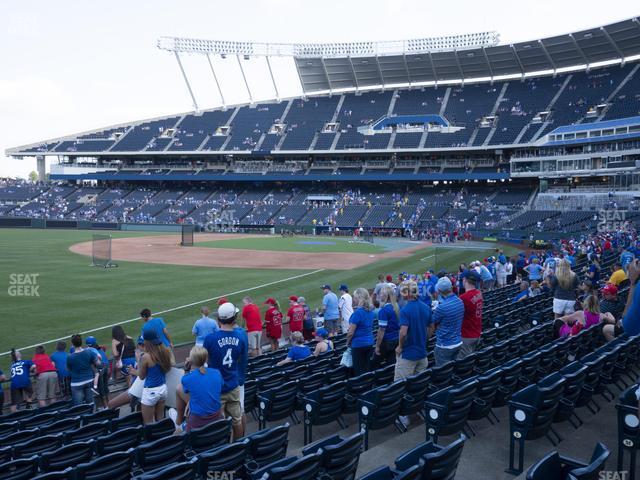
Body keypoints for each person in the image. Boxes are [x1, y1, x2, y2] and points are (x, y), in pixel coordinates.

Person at [203, 302, 247, 440]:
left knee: (220, 421)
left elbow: (204, 361)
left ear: (219, 320)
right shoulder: (240, 337)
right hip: (233, 384)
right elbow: (241, 360)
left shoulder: (210, 339)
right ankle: (237, 446)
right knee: (237, 420)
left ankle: (222, 448)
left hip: (216, 386)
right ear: (234, 319)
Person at [172, 346, 223, 433]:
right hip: (217, 418)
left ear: (190, 361)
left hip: (197, 423)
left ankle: (178, 423)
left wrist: (186, 369)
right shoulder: (216, 372)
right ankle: (179, 422)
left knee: (176, 434)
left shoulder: (187, 378)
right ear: (206, 360)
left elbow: (186, 386)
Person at [127, 328, 172, 424]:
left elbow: (142, 376)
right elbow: (167, 369)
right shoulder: (165, 352)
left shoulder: (145, 357)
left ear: (147, 342)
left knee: (148, 423)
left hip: (150, 391)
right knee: (160, 420)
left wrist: (135, 367)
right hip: (163, 389)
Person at [432, 277, 464, 366]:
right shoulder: (460, 301)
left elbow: (432, 322)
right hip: (458, 342)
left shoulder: (441, 308)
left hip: (444, 346)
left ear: (439, 290)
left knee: (443, 374)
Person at [347, 288, 375, 375]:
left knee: (359, 371)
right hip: (369, 343)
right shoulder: (370, 310)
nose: (354, 300)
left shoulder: (358, 313)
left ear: (359, 298)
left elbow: (351, 332)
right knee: (367, 368)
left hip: (358, 345)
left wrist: (347, 342)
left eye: (355, 297)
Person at [66, 334, 100, 406]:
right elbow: (98, 363)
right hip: (89, 380)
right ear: (81, 342)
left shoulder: (70, 357)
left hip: (76, 383)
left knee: (79, 407)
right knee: (90, 404)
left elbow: (68, 369)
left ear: (72, 344)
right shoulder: (89, 352)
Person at [374, 285, 400, 366]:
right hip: (397, 339)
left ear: (386, 296)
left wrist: (377, 346)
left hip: (387, 341)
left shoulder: (384, 310)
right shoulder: (396, 306)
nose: (379, 295)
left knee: (375, 363)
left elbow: (382, 330)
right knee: (392, 363)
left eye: (381, 293)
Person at [459, 270, 483, 357]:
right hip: (477, 331)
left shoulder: (463, 298)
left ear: (465, 280)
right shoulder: (479, 293)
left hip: (467, 336)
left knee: (465, 363)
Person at [86, 336, 110, 409]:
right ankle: (111, 404)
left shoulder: (89, 351)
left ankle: (106, 407)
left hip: (100, 369)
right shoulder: (100, 348)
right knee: (105, 387)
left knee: (101, 389)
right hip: (106, 367)